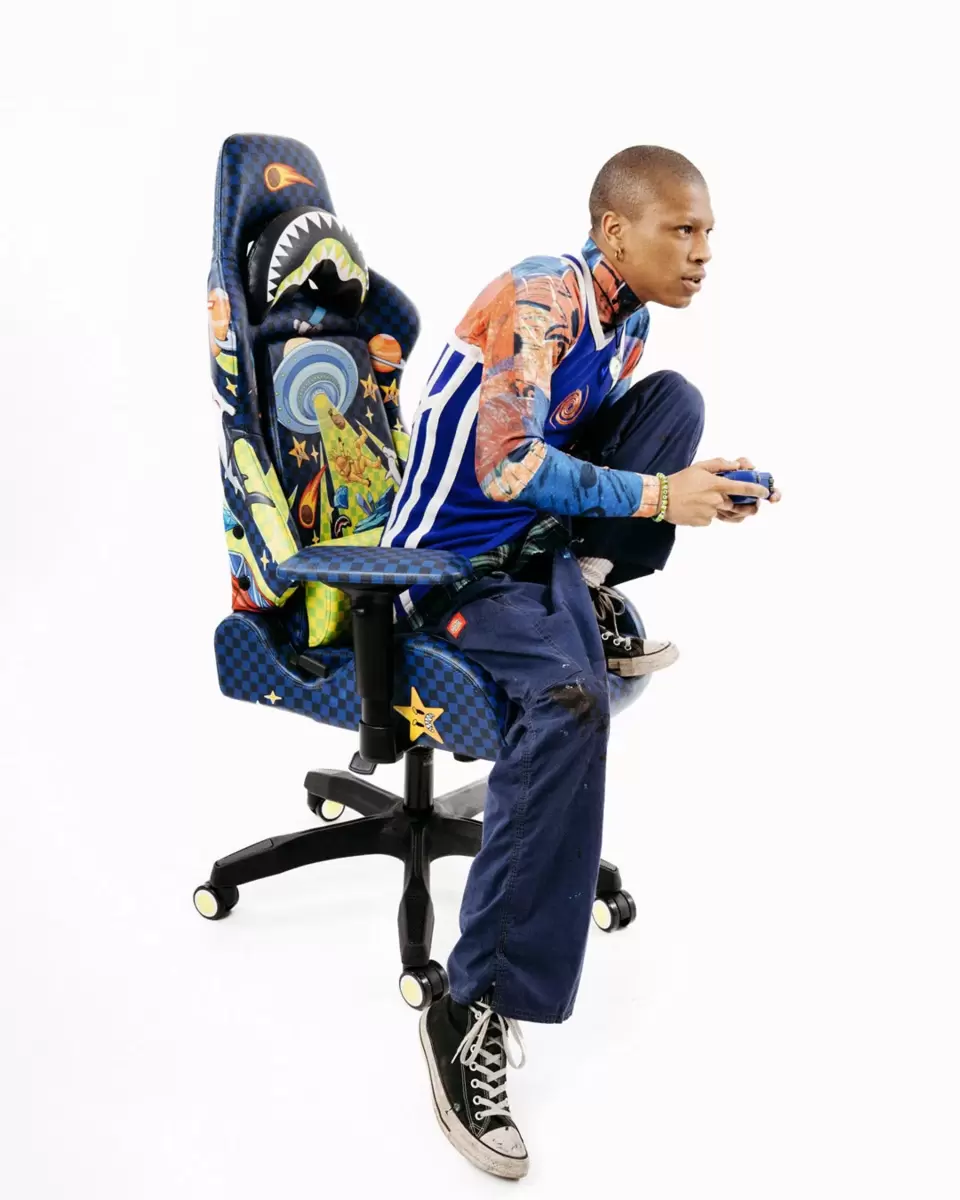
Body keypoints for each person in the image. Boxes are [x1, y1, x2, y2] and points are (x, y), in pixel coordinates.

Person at [381, 145, 781, 1180]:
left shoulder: (630, 319)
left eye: (708, 234)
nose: (701, 253)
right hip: (449, 566)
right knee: (572, 699)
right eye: (680, 231)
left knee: (675, 406)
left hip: (530, 548)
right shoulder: (540, 299)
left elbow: (591, 448)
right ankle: (471, 1008)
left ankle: (581, 587)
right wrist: (659, 499)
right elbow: (509, 462)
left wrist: (696, 484)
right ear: (613, 231)